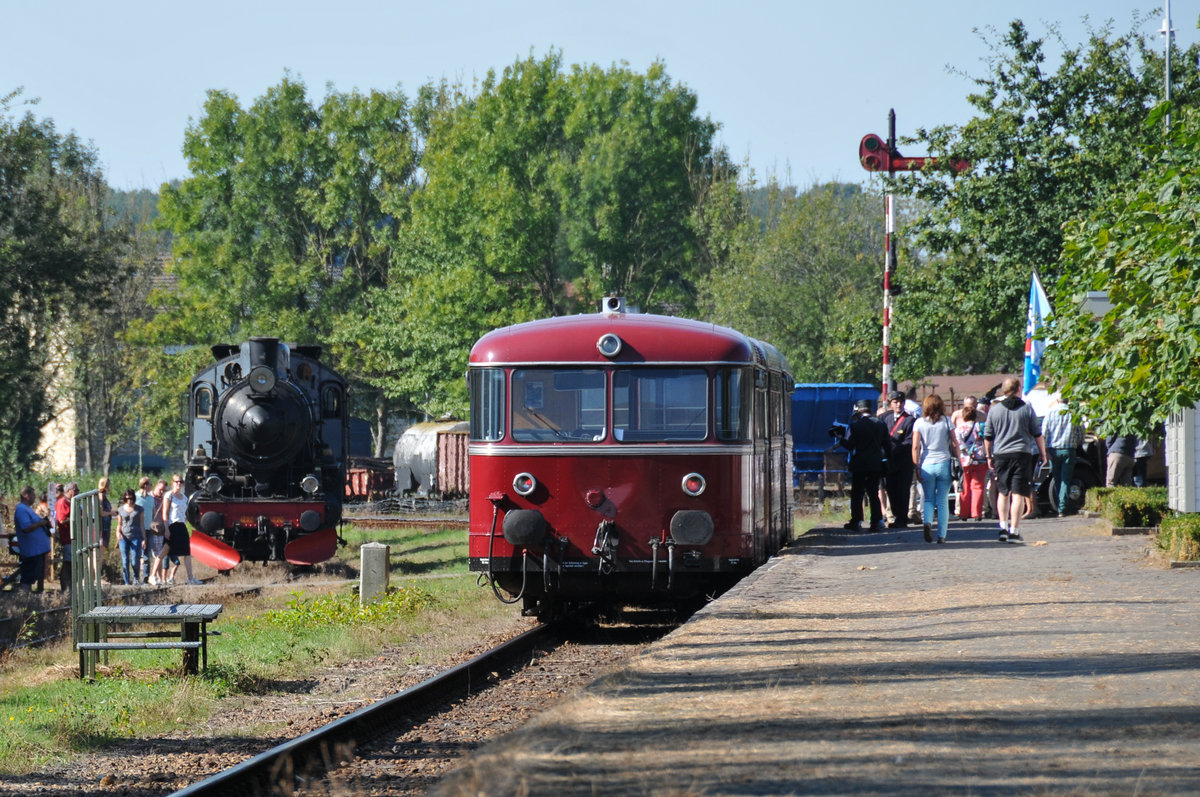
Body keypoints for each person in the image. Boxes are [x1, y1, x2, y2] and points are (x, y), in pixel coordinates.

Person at [983, 377, 1048, 543]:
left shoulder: (995, 410)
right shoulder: (1026, 408)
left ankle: (1003, 528)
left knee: (1003, 492)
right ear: (1018, 389)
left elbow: (988, 436)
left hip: (1001, 455)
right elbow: (1037, 434)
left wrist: (989, 455)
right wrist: (1043, 454)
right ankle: (1014, 530)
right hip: (1022, 454)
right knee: (1018, 493)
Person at [913, 394, 960, 543]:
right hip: (944, 463)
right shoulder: (947, 422)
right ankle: (942, 535)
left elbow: (915, 447)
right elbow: (955, 443)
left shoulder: (919, 423)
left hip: (926, 464)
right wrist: (958, 460)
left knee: (928, 498)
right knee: (942, 500)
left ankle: (927, 521)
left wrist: (916, 467)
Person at [838, 399, 890, 533]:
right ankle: (876, 521)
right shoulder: (881, 424)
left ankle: (856, 521)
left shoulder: (856, 426)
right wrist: (888, 461)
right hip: (875, 464)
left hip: (859, 464)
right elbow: (887, 445)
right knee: (873, 492)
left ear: (858, 411)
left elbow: (851, 446)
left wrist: (840, 439)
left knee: (857, 493)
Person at [1042, 395, 1084, 516]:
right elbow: (1081, 433)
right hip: (1069, 449)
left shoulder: (1050, 413)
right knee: (1066, 479)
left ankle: (1058, 505)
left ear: (1057, 401)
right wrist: (1078, 443)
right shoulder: (1074, 413)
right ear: (1068, 401)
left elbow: (1044, 433)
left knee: (1056, 478)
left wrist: (1045, 451)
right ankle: (1062, 507)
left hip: (1053, 450)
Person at [881, 391, 916, 529]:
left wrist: (894, 448)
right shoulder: (886, 419)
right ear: (890, 404)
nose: (898, 405)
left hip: (903, 461)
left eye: (901, 402)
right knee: (891, 489)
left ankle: (902, 517)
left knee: (903, 489)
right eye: (895, 402)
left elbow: (909, 441)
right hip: (890, 461)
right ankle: (896, 516)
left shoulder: (910, 420)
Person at [163, 474, 200, 585]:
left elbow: (185, 513)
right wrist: (166, 529)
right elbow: (165, 513)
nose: (179, 483)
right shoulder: (169, 495)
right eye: (176, 481)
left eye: (180, 482)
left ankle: (190, 578)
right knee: (163, 551)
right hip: (172, 525)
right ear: (172, 482)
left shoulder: (184, 497)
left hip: (181, 525)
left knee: (187, 552)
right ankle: (154, 576)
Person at [13, 486, 52, 592]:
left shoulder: (27, 509)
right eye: (33, 495)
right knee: (27, 579)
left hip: (36, 551)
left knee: (30, 579)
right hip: (30, 551)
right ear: (26, 495)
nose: (35, 498)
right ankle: (23, 601)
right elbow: (25, 528)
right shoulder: (21, 509)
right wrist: (41, 523)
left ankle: (27, 601)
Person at [955, 400, 988, 521]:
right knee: (978, 487)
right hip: (980, 459)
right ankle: (977, 513)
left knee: (964, 486)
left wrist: (965, 451)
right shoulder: (981, 427)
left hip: (965, 461)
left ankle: (963, 513)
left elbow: (958, 443)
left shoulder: (959, 429)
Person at [116, 489, 145, 585]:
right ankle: (127, 582)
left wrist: (144, 539)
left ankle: (136, 578)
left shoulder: (139, 509)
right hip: (124, 537)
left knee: (135, 560)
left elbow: (142, 524)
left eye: (131, 498)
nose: (129, 500)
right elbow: (119, 524)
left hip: (136, 537)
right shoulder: (120, 509)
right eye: (127, 498)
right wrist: (118, 532)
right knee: (125, 560)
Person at [55, 482, 78, 591]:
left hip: (73, 538)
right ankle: (65, 588)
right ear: (69, 491)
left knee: (72, 564)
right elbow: (62, 519)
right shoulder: (62, 502)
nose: (77, 492)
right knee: (68, 563)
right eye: (76, 490)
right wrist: (77, 519)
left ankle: (70, 587)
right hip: (67, 537)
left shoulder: (70, 502)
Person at [147, 479, 169, 585]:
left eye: (163, 491)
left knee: (158, 554)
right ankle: (149, 577)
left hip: (158, 529)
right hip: (147, 527)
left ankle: (158, 578)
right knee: (147, 555)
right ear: (156, 486)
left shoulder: (164, 499)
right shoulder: (148, 497)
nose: (161, 492)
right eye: (160, 490)